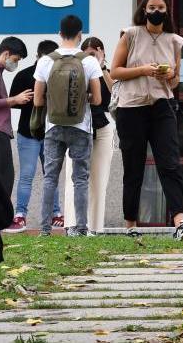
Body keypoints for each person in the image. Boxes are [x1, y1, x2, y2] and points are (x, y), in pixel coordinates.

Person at [110, 0, 183, 241]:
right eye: (152, 8)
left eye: (161, 8)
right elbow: (115, 71)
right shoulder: (131, 34)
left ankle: (180, 222)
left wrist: (169, 75)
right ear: (144, 10)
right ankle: (130, 224)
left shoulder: (175, 40)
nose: (156, 12)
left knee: (170, 163)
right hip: (131, 107)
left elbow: (176, 80)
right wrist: (143, 70)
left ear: (167, 11)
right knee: (134, 167)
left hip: (162, 105)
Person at [33, 15, 102, 237]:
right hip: (81, 126)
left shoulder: (46, 61)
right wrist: (83, 97)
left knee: (50, 177)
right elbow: (99, 100)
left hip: (53, 126)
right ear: (80, 34)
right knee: (80, 179)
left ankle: (44, 229)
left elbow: (37, 100)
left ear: (60, 33)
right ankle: (81, 228)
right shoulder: (88, 61)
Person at [56, 37, 114, 235]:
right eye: (86, 54)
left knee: (100, 179)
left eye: (94, 54)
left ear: (102, 52)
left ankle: (95, 227)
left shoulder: (107, 72)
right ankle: (72, 224)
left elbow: (116, 93)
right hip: (79, 126)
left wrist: (102, 65)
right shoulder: (77, 70)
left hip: (103, 127)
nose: (90, 58)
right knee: (75, 177)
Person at [5, 40, 61, 233]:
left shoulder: (59, 75)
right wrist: (26, 99)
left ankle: (56, 214)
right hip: (27, 133)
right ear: (38, 57)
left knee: (51, 175)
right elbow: (13, 102)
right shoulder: (24, 75)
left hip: (52, 133)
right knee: (27, 175)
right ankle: (20, 215)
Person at [0, 37, 30, 220]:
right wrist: (14, 100)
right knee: (3, 178)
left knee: (3, 177)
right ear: (6, 53)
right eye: (15, 59)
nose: (15, 64)